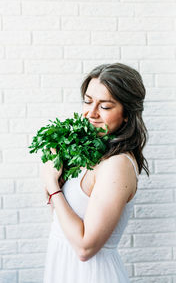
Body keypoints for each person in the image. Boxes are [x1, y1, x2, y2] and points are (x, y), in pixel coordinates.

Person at [41, 63, 149, 283]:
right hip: (64, 268)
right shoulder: (92, 153)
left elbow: (85, 248)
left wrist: (51, 184)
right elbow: (64, 221)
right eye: (88, 101)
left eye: (105, 106)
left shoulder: (117, 165)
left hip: (92, 275)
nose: (91, 113)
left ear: (127, 114)